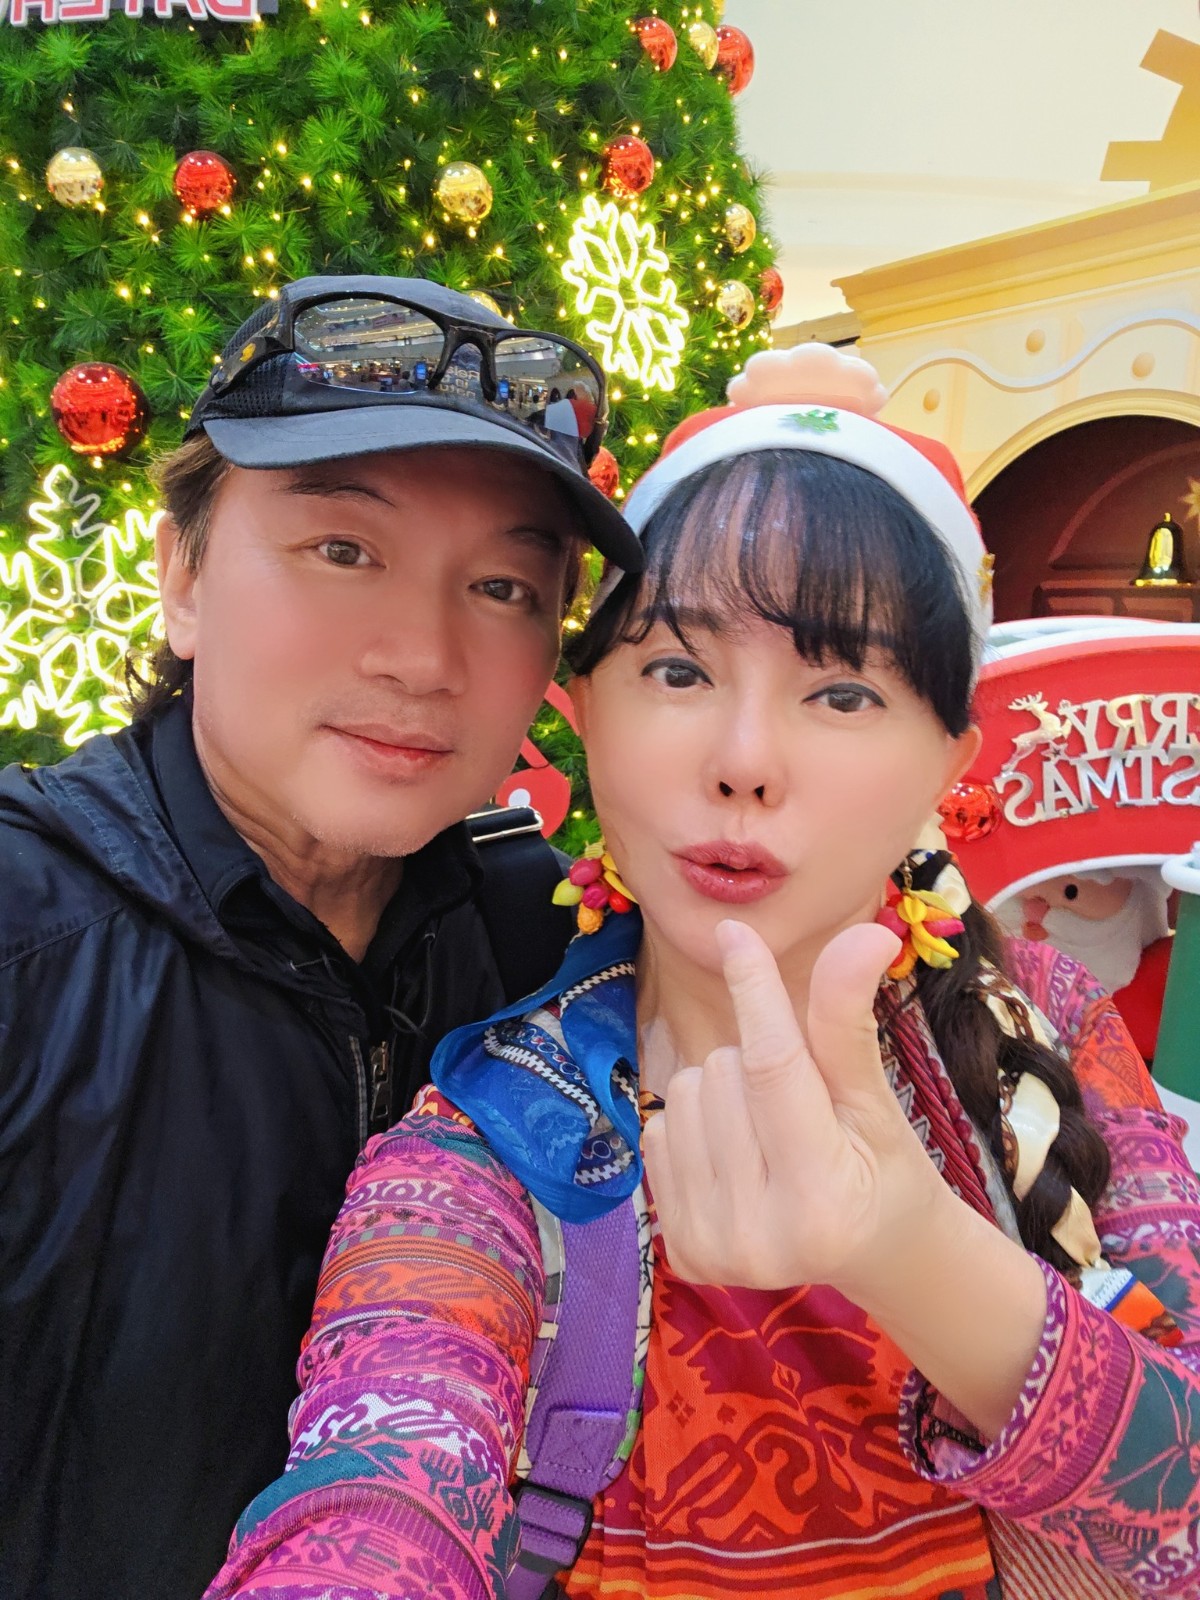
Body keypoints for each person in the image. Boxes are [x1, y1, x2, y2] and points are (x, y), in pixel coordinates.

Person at [207, 367, 1200, 1600]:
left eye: (843, 692)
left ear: (953, 756)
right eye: (679, 671)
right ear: (585, 709)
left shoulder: (1046, 1020)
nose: (744, 761)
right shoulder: (488, 1149)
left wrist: (911, 1249)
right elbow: (376, 1484)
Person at [0, 274, 644, 1600]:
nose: (424, 658)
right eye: (344, 550)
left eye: (506, 587)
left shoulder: (551, 957)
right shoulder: (27, 938)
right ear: (183, 576)